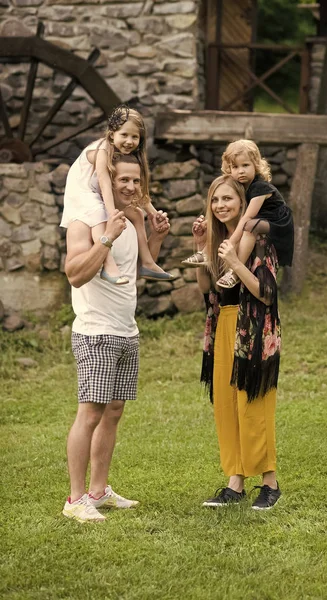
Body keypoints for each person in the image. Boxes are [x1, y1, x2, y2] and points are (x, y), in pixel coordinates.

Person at [62, 154, 170, 522]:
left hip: (126, 330)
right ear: (107, 180)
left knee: (114, 411)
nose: (131, 187)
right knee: (90, 412)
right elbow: (75, 274)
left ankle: (99, 491)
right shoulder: (84, 220)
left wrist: (156, 237)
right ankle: (75, 500)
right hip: (95, 331)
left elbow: (137, 270)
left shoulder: (135, 218)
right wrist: (106, 238)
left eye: (136, 181)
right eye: (123, 179)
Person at [193, 175, 286, 510]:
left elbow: (266, 293)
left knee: (254, 405)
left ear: (243, 203)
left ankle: (270, 484)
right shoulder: (220, 239)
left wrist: (235, 263)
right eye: (215, 200)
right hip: (224, 327)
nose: (220, 205)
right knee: (227, 407)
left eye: (227, 199)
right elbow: (208, 290)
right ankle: (235, 482)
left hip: (255, 331)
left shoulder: (259, 239)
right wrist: (200, 248)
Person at [61, 104, 175, 285]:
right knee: (100, 213)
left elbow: (139, 192)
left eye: (134, 137)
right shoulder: (103, 149)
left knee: (137, 214)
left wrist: (153, 213)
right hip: (82, 193)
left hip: (97, 195)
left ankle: (147, 263)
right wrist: (111, 212)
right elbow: (105, 184)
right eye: (124, 135)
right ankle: (108, 265)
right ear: (112, 134)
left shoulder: (126, 156)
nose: (129, 141)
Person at [183, 139, 293, 289]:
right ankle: (205, 252)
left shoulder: (260, 187)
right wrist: (209, 222)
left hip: (277, 222)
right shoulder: (242, 186)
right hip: (259, 220)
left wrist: (232, 241)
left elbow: (247, 216)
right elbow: (240, 210)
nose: (240, 171)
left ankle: (235, 271)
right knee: (243, 225)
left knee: (249, 226)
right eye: (235, 167)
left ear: (256, 165)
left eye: (245, 165)